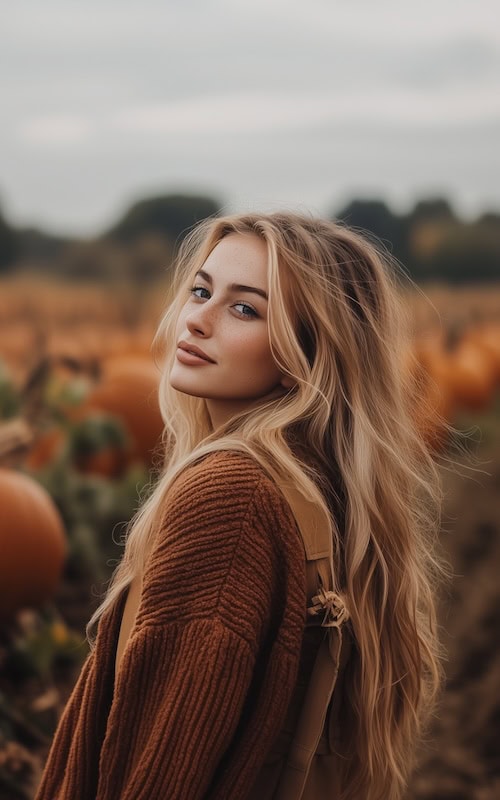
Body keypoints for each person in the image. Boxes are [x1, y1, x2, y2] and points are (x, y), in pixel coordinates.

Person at [35, 211, 446, 800]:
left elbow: (160, 772)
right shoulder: (310, 486)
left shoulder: (230, 499)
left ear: (306, 352)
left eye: (245, 308)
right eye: (201, 291)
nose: (197, 318)